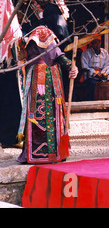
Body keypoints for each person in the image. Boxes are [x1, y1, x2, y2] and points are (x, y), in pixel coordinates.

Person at [17, 26, 78, 164]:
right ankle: (50, 152)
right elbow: (55, 54)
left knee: (42, 114)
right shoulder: (43, 32)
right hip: (44, 79)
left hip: (36, 78)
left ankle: (36, 153)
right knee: (47, 113)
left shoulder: (29, 35)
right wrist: (71, 66)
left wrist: (71, 67)